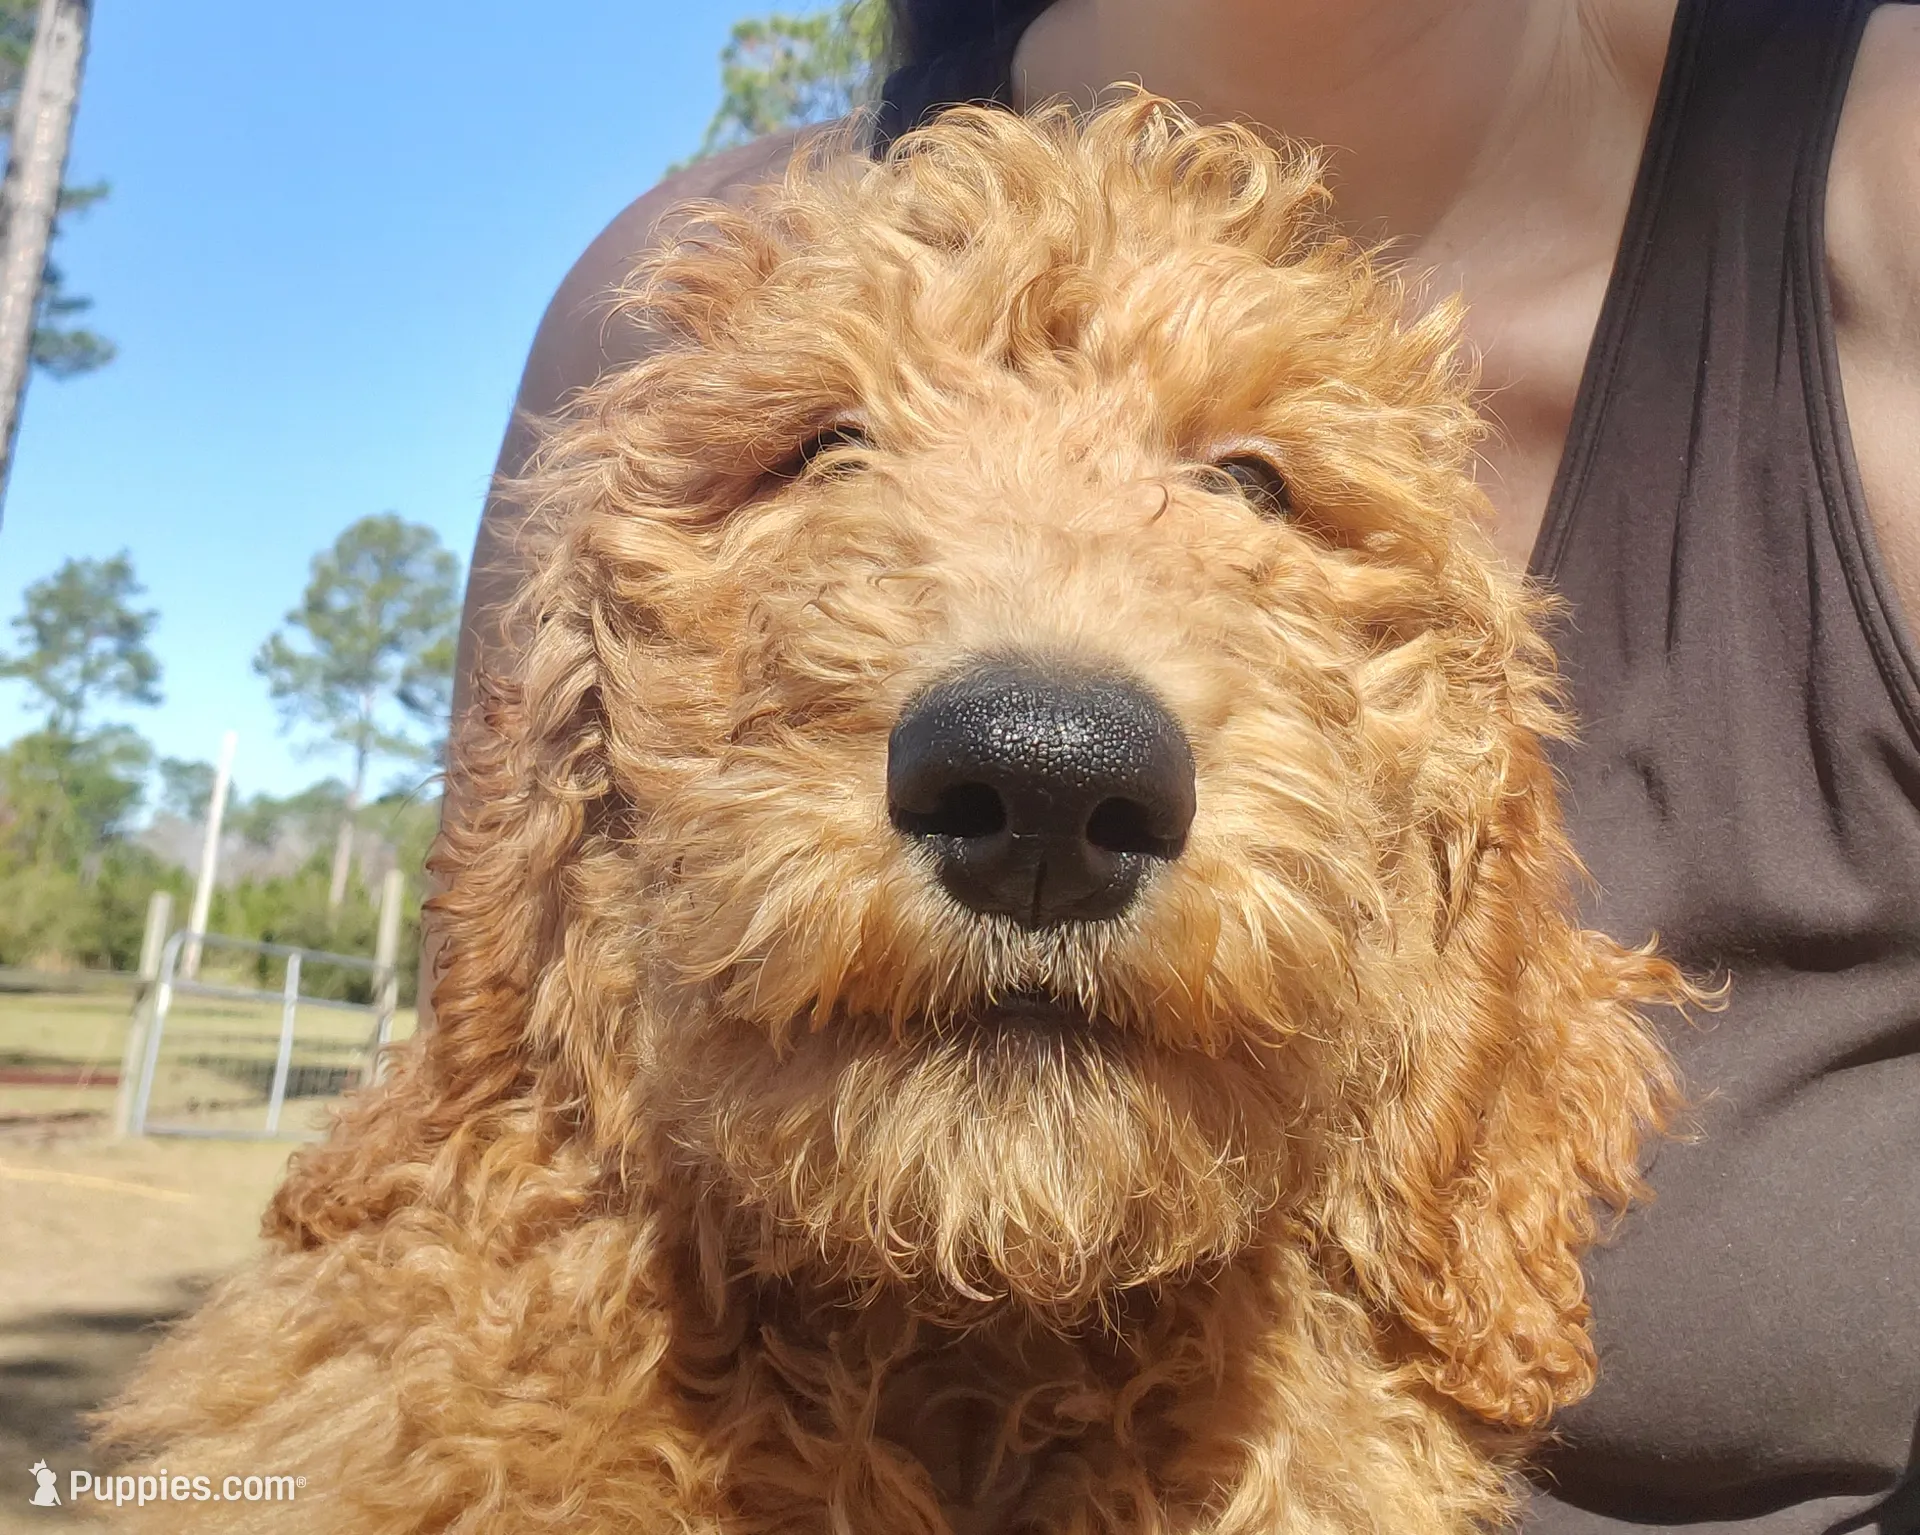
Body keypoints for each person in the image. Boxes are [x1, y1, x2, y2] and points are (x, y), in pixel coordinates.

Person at [449, 1, 1920, 1529]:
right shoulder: (658, 298)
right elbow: (488, 1072)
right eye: (828, 449)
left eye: (1256, 487)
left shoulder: (1883, 162)